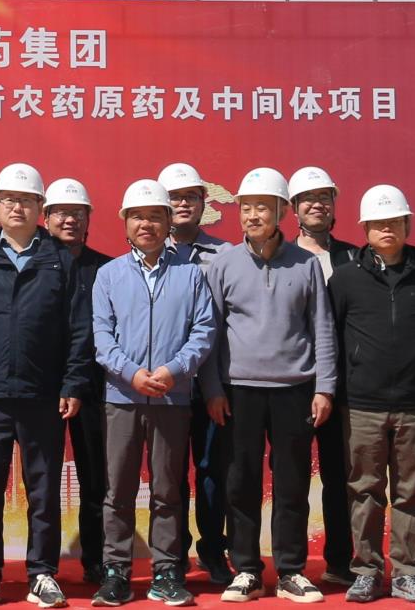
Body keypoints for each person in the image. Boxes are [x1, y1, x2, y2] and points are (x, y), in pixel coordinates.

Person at [0, 163, 90, 609]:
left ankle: (42, 574)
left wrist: (72, 383)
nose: (17, 207)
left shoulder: (60, 261)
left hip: (43, 396)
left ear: (40, 208)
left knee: (43, 492)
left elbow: (78, 330)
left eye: (27, 200)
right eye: (9, 199)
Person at [204, 168, 334, 605]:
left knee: (292, 483)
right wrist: (213, 389)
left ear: (281, 212)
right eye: (246, 207)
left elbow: (322, 328)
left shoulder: (306, 264)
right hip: (238, 391)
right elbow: (209, 332)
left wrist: (325, 387)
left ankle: (291, 570)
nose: (252, 215)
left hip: (295, 389)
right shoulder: (224, 264)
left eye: (262, 207)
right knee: (239, 482)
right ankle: (246, 569)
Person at [88, 180, 216, 608]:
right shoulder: (108, 275)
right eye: (138, 216)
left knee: (168, 490)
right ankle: (116, 572)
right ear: (126, 222)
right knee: (118, 491)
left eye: (155, 216)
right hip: (121, 398)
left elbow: (203, 331)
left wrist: (172, 370)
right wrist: (132, 374)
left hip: (171, 398)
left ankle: (166, 570)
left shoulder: (190, 274)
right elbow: (102, 337)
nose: (147, 224)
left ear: (168, 223)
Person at [327, 185, 415, 604]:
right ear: (364, 228)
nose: (387, 229)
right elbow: (331, 339)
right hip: (362, 405)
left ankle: (408, 572)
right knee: (364, 491)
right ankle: (366, 571)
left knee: (411, 492)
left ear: (407, 225)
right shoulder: (345, 279)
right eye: (378, 223)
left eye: (394, 221)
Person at [155, 163, 231, 587]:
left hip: (210, 383)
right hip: (164, 383)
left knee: (212, 471)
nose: (183, 204)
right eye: (175, 197)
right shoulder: (148, 255)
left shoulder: (225, 255)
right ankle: (174, 552)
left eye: (191, 197)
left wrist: (216, 383)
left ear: (204, 203)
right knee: (168, 472)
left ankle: (214, 551)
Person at [285, 166, 357, 587]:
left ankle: (340, 561)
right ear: (293, 208)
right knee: (292, 478)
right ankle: (291, 566)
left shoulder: (355, 257)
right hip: (294, 383)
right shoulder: (283, 256)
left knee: (341, 477)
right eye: (308, 199)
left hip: (343, 387)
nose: (317, 204)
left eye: (324, 197)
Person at [43, 178, 112, 587]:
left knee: (96, 480)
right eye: (61, 213)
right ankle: (41, 567)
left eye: (77, 213)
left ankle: (96, 560)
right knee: (41, 483)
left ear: (88, 219)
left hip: (95, 388)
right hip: (45, 389)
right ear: (46, 217)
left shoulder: (107, 268)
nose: (69, 220)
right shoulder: (33, 266)